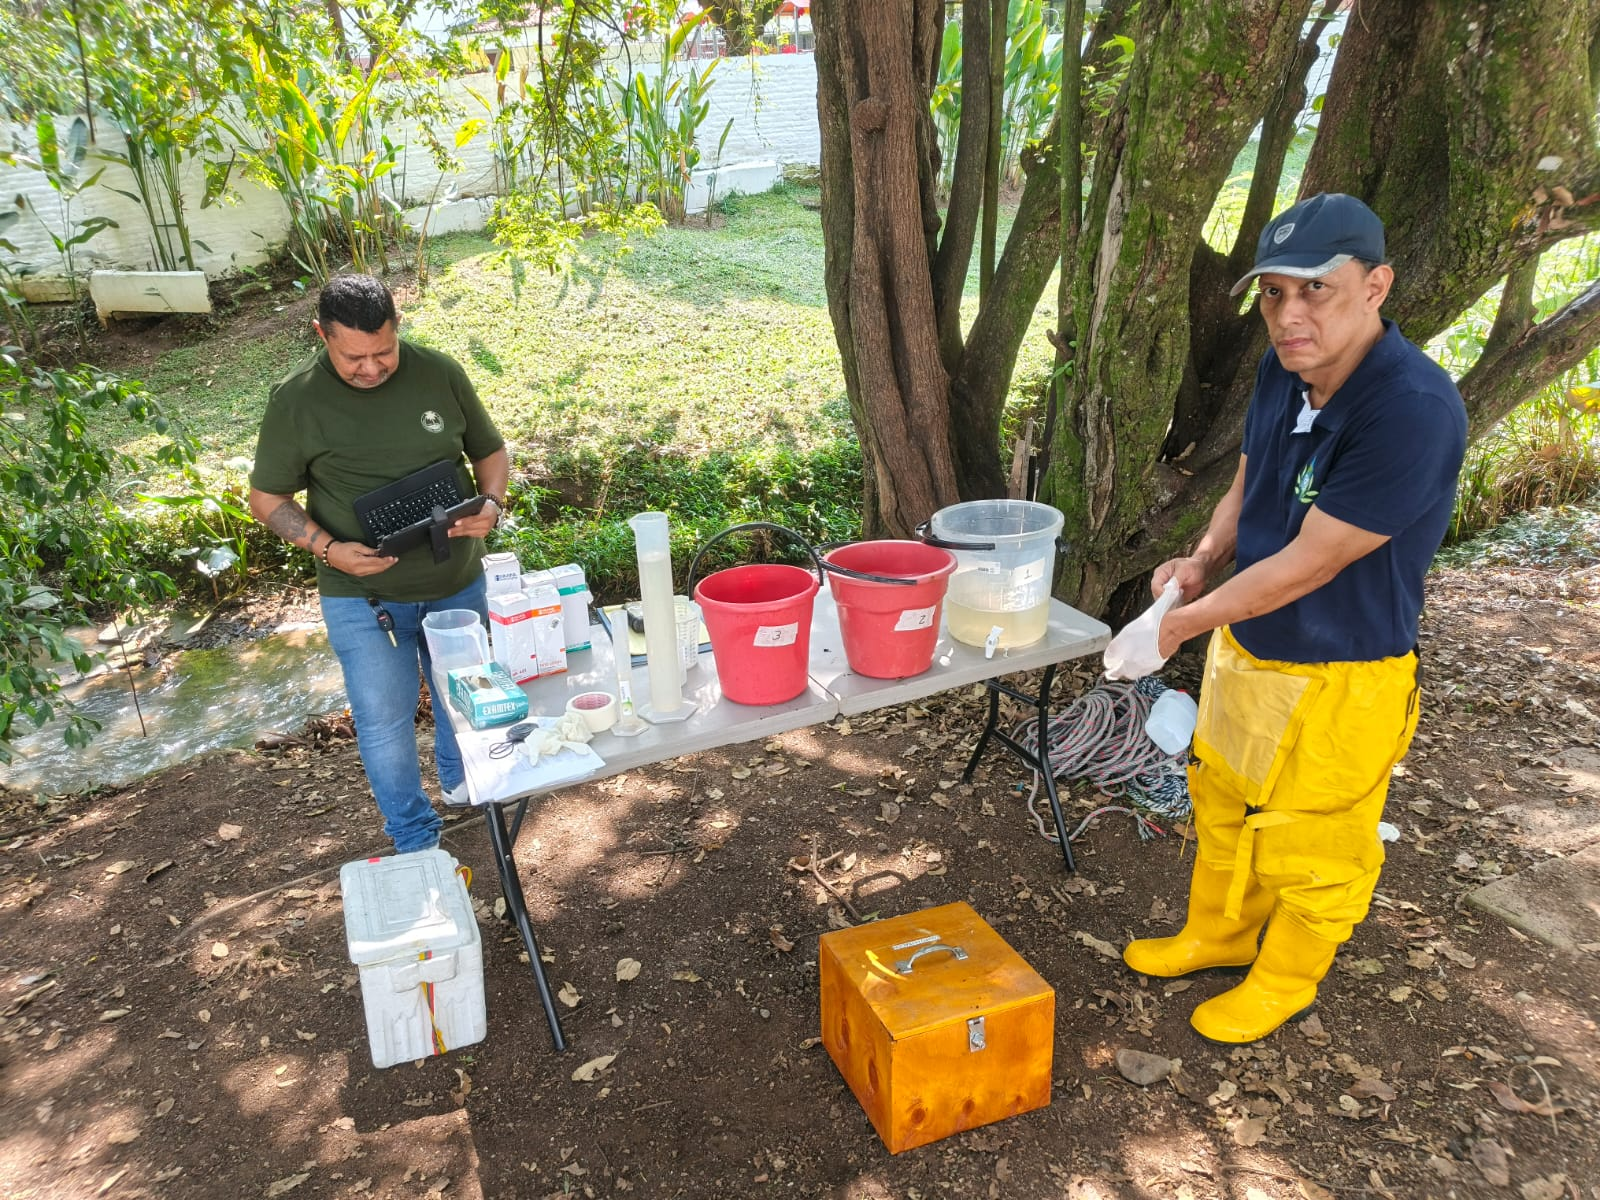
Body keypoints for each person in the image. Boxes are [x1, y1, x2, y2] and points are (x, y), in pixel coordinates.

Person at [1117, 193, 1468, 1043]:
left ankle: (1285, 978)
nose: (1290, 314)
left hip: (1344, 672)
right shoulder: (1284, 370)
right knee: (1224, 799)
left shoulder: (1411, 410)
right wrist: (1201, 562)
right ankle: (1220, 934)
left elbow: (1310, 563)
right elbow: (1251, 480)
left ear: (1376, 285)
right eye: (1273, 293)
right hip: (1251, 649)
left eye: (1316, 288)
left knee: (1316, 843)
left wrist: (1174, 628)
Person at [248, 274, 509, 854]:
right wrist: (327, 547)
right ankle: (414, 835)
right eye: (354, 357)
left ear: (398, 328)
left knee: (460, 699)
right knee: (384, 723)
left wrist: (491, 503)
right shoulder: (295, 401)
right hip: (361, 598)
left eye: (384, 352)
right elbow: (266, 499)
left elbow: (490, 452)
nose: (371, 368)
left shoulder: (440, 373)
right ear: (321, 335)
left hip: (456, 581)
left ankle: (462, 781)